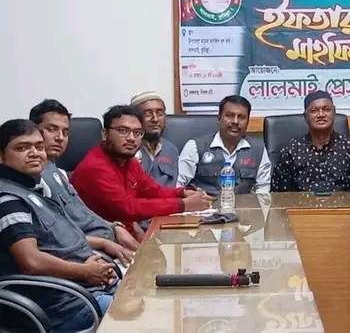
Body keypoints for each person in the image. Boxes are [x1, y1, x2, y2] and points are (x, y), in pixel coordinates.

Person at [0, 119, 118, 332]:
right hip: (66, 306)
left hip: (86, 288)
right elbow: (31, 262)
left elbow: (57, 242)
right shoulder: (9, 200)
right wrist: (84, 271)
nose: (34, 153)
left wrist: (96, 268)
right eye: (22, 148)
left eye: (39, 147)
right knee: (144, 317)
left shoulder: (35, 189)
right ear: (1, 156)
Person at [71, 105, 212, 240]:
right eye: (123, 131)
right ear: (105, 134)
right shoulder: (96, 166)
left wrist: (183, 193)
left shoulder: (128, 160)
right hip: (100, 240)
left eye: (137, 133)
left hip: (125, 235)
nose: (131, 138)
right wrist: (182, 205)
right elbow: (127, 208)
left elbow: (153, 190)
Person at [29, 99, 139, 252]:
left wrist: (115, 226)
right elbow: (57, 236)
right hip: (88, 252)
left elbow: (83, 214)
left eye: (65, 132)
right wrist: (104, 243)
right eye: (52, 129)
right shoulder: (33, 181)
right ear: (33, 131)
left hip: (107, 240)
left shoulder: (58, 173)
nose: (60, 137)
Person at [271, 91, 350, 192]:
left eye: (326, 109)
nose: (321, 115)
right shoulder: (290, 151)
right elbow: (277, 194)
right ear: (305, 117)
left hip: (344, 202)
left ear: (334, 113)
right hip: (302, 202)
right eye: (314, 111)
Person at [177, 95, 271, 195]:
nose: (235, 121)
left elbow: (263, 189)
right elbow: (178, 186)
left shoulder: (259, 150)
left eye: (241, 117)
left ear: (247, 122)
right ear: (219, 119)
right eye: (229, 115)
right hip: (205, 204)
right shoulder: (194, 147)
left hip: (243, 204)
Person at [130, 91, 180, 187]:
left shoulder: (171, 149)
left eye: (160, 113)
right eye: (148, 114)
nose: (155, 119)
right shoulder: (128, 149)